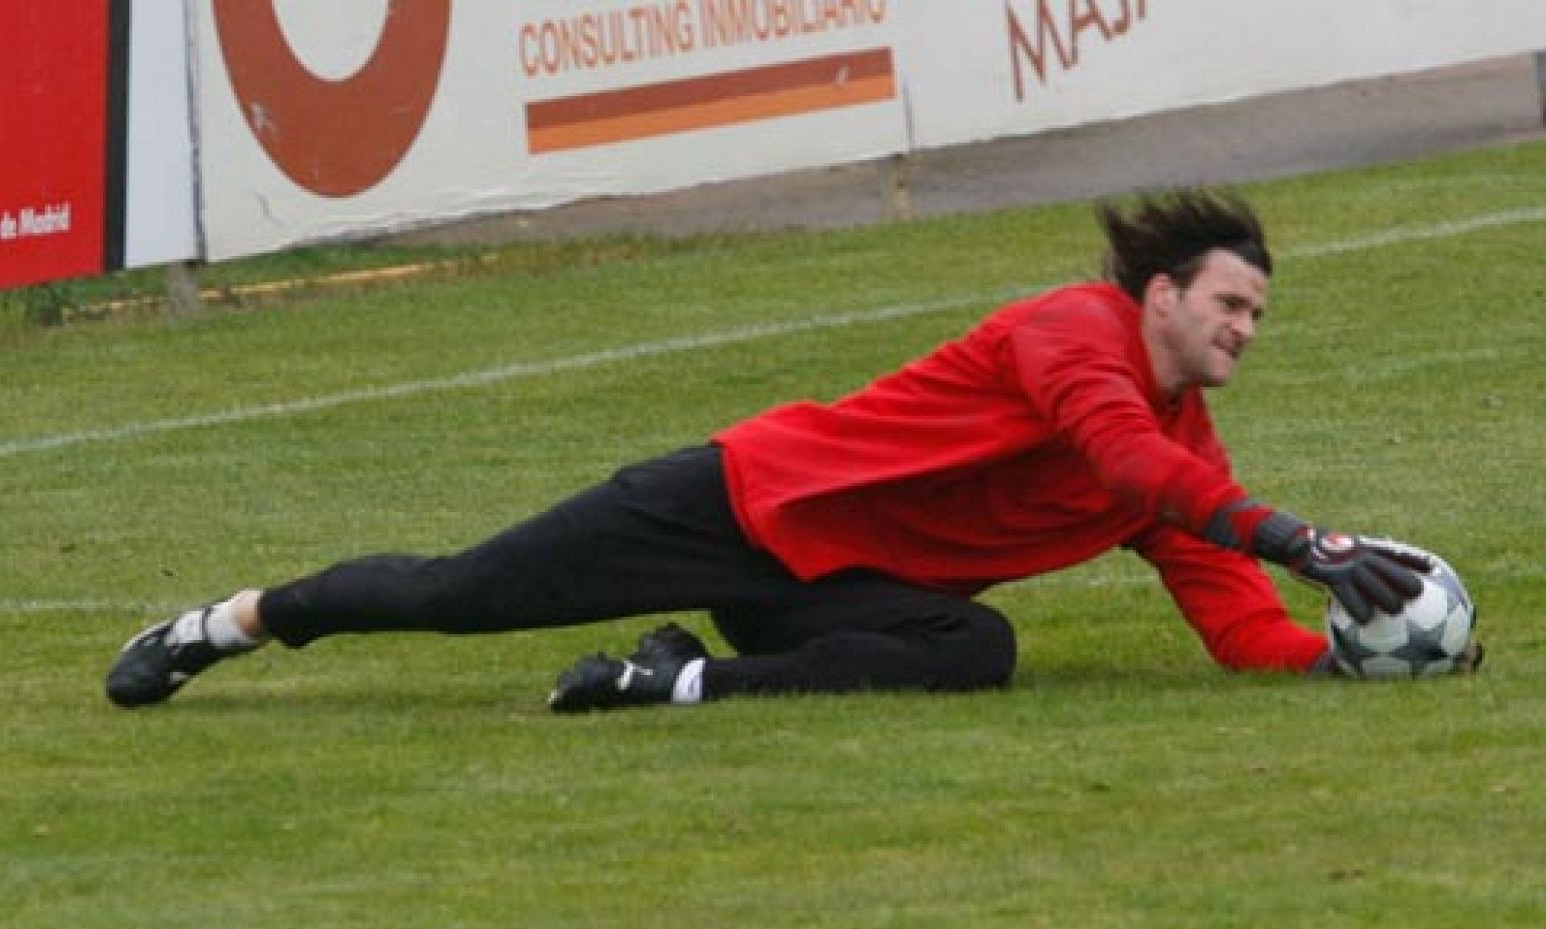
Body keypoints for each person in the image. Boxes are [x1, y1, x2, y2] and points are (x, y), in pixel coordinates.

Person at [105, 189, 1458, 714]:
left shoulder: (1183, 450)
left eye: (1256, 315)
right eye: (1228, 302)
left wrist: (1340, 649)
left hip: (825, 588)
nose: (1243, 328)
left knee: (973, 655)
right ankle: (231, 623)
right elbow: (1124, 465)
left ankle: (680, 685)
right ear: (1158, 293)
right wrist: (1300, 538)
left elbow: (1230, 621)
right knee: (462, 596)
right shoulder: (1073, 332)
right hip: (738, 505)